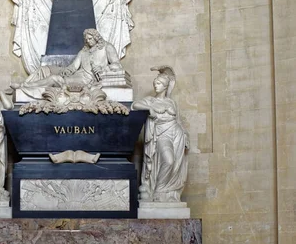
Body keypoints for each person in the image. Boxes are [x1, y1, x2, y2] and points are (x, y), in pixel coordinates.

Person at [132, 66, 189, 203]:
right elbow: (135, 105)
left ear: (165, 86)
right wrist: (150, 108)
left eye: (158, 84)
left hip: (176, 133)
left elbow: (178, 120)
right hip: (161, 133)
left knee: (176, 164)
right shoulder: (151, 100)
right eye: (155, 84)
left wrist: (185, 135)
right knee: (168, 161)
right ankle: (159, 190)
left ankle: (169, 193)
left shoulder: (171, 102)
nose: (155, 86)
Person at [15, 28, 124, 98]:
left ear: (96, 37)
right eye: (86, 40)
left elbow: (117, 65)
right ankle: (27, 84)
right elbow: (73, 67)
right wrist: (66, 71)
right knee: (45, 69)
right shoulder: (83, 51)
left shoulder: (107, 47)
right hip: (76, 76)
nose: (88, 41)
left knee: (54, 79)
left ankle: (26, 86)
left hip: (87, 80)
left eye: (90, 39)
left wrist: (103, 69)